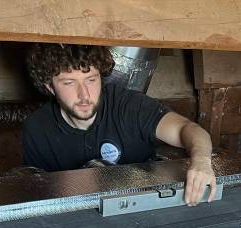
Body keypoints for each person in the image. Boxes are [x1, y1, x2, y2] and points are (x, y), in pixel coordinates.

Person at [23, 43, 216, 206]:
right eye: (69, 83)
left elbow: (188, 129)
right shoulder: (38, 128)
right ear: (50, 87)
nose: (84, 94)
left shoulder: (128, 105)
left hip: (143, 208)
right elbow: (42, 195)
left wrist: (201, 162)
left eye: (91, 80)